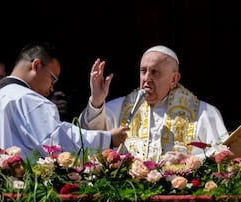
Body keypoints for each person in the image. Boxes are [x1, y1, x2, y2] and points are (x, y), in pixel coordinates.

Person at [0, 41, 129, 169]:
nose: (52, 87)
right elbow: (56, 141)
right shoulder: (28, 99)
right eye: (53, 78)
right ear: (36, 65)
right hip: (19, 198)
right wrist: (107, 138)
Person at [79, 45, 229, 161]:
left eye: (155, 72)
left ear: (174, 79)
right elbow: (89, 139)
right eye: (143, 71)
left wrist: (189, 160)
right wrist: (97, 102)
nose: (146, 78)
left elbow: (223, 155)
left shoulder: (204, 114)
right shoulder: (119, 108)